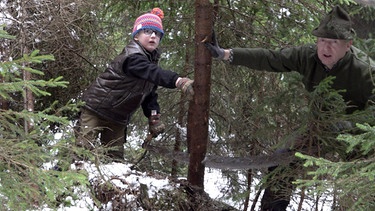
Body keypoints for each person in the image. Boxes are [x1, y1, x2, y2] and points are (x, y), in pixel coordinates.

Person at [205, 5, 375, 211]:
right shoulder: (307, 56)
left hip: (357, 134)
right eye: (322, 41)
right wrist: (225, 54)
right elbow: (271, 58)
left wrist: (350, 125)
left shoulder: (365, 69)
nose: (326, 48)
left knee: (367, 176)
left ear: (348, 45)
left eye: (333, 42)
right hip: (319, 127)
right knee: (281, 159)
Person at [77, 8, 194, 162]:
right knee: (81, 154)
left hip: (118, 117)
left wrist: (154, 118)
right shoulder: (132, 56)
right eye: (147, 31)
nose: (153, 36)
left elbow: (149, 94)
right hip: (96, 110)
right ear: (136, 36)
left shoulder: (149, 60)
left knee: (114, 161)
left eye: (157, 33)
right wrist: (177, 80)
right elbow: (152, 72)